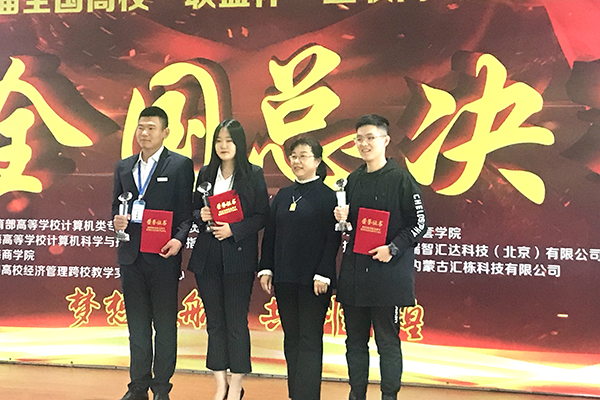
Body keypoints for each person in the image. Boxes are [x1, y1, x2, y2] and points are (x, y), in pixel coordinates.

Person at [333, 114, 427, 400]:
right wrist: (343, 218)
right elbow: (352, 226)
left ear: (385, 140)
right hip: (355, 275)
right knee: (355, 343)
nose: (364, 144)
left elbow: (420, 224)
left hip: (388, 276)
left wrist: (393, 248)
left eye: (370, 138)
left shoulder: (401, 179)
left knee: (387, 343)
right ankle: (356, 394)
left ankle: (389, 396)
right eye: (359, 139)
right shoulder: (353, 179)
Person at [112, 106, 194, 400]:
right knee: (137, 326)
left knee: (164, 325)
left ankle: (161, 388)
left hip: (163, 256)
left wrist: (179, 240)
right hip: (131, 257)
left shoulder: (179, 165)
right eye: (141, 127)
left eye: (151, 128)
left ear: (165, 132)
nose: (144, 133)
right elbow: (116, 208)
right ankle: (137, 386)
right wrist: (116, 222)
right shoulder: (124, 167)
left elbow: (186, 212)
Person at [187, 119, 269, 400]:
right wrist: (201, 215)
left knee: (235, 322)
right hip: (207, 257)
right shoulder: (206, 173)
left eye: (229, 140)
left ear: (239, 143)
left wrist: (234, 229)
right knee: (214, 323)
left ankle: (236, 384)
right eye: (218, 140)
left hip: (238, 257)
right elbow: (193, 210)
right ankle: (220, 383)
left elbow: (262, 215)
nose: (223, 146)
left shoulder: (253, 174)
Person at [258, 137, 340, 400]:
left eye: (303, 156)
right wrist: (266, 268)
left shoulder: (328, 196)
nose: (297, 161)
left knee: (309, 340)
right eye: (293, 156)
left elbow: (333, 239)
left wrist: (324, 273)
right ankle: (296, 394)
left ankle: (308, 395)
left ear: (317, 161)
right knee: (291, 338)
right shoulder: (284, 195)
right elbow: (270, 234)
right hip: (285, 278)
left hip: (314, 281)